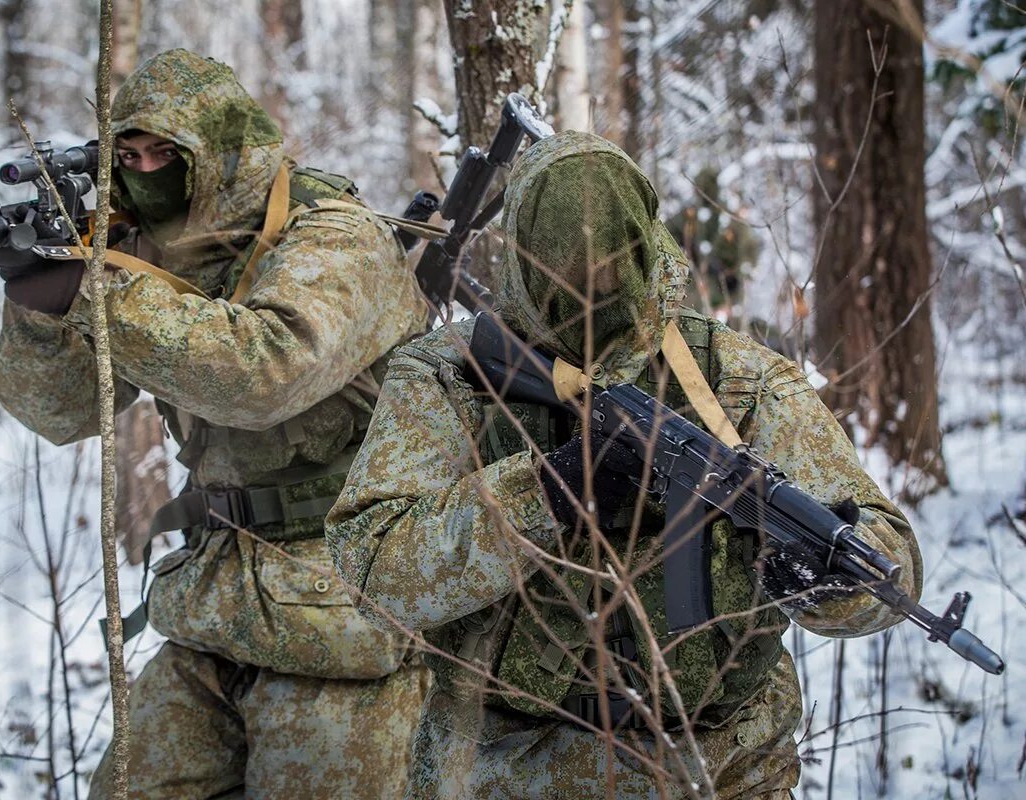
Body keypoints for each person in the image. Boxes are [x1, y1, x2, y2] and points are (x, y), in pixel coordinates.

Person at [325, 131, 922, 798]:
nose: (588, 285)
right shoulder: (450, 376)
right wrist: (548, 491)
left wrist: (830, 585)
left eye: (609, 259)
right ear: (522, 255)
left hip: (726, 765)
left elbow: (890, 558)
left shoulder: (737, 380)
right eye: (560, 265)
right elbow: (372, 569)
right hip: (512, 766)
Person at [0, 49, 431, 798]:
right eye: (129, 156)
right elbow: (60, 414)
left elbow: (264, 373)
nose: (148, 171)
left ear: (226, 152)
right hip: (215, 605)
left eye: (169, 155)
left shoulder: (336, 238)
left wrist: (100, 294)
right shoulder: (151, 253)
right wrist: (38, 308)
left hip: (351, 611)